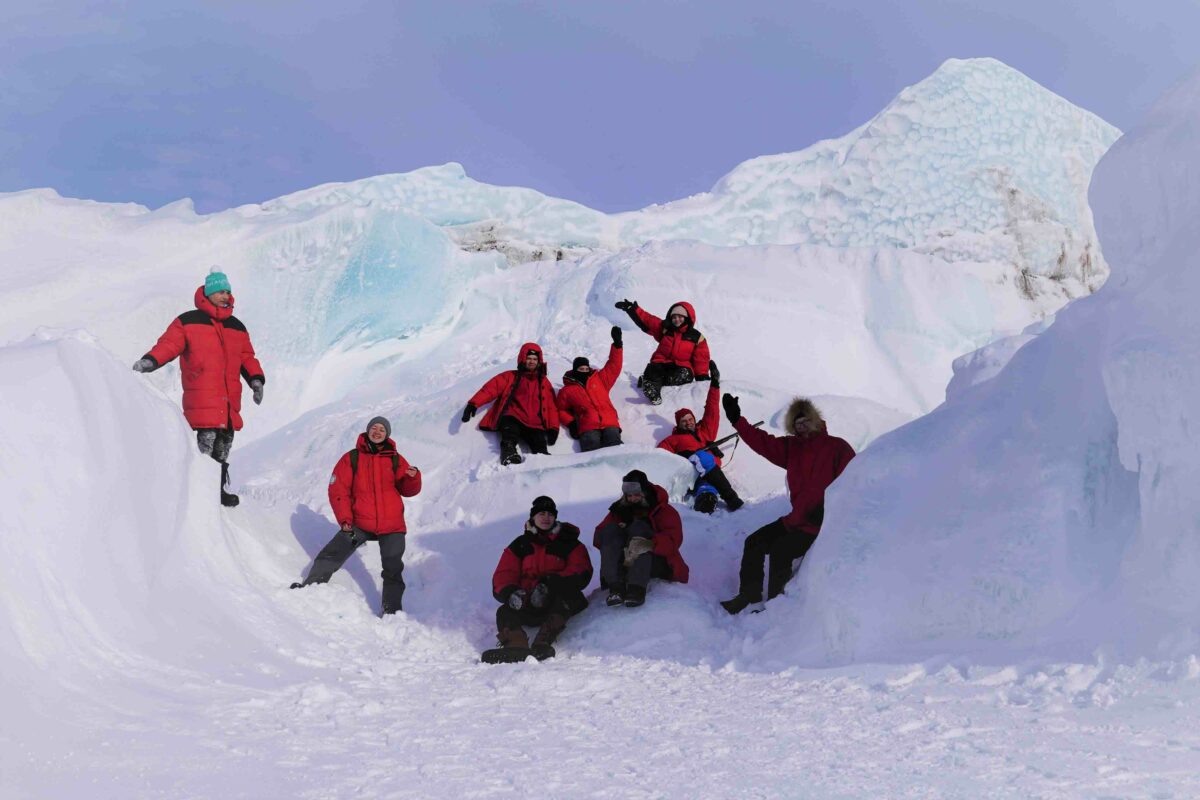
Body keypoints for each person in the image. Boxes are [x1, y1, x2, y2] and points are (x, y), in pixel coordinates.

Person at [133, 268, 265, 507]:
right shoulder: (188, 321)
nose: (226, 296)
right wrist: (150, 361)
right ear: (208, 293)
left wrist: (256, 379)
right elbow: (169, 345)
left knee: (223, 448)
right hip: (202, 400)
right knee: (204, 448)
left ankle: (218, 492)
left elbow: (247, 357)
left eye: (228, 292)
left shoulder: (237, 327)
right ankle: (195, 494)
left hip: (228, 402)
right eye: (220, 292)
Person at [718, 395, 855, 614]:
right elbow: (763, 442)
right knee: (755, 542)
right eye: (797, 424)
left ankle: (774, 606)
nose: (802, 428)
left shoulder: (837, 448)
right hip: (796, 520)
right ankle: (748, 595)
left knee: (782, 551)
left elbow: (853, 483)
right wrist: (737, 421)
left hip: (819, 524)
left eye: (806, 422)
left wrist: (828, 510)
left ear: (816, 420)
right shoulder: (792, 448)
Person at [291, 416, 422, 616]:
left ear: (387, 435)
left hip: (392, 524)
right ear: (368, 431)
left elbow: (409, 491)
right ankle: (311, 587)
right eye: (374, 428)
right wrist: (345, 519)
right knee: (332, 553)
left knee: (393, 568)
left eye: (382, 430)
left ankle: (392, 611)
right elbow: (338, 491)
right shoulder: (351, 458)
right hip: (360, 522)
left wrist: (413, 478)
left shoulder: (395, 458)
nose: (377, 432)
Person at [486, 496, 593, 662]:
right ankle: (516, 646)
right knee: (504, 611)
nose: (546, 517)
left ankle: (542, 644)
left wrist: (550, 584)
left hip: (555, 600)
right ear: (533, 517)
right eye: (541, 513)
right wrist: (511, 593)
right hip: (527, 601)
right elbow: (504, 573)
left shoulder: (569, 542)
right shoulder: (520, 544)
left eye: (550, 514)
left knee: (567, 599)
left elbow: (581, 569)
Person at [592, 470, 689, 608]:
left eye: (636, 495)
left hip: (657, 563)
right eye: (629, 496)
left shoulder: (663, 510)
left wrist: (650, 542)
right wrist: (621, 532)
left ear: (645, 492)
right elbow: (599, 535)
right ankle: (615, 588)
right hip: (627, 561)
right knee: (610, 530)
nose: (632, 499)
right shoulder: (619, 509)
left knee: (639, 528)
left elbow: (674, 540)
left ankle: (636, 589)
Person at [656, 361, 743, 514]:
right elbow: (659, 456)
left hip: (711, 473)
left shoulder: (705, 430)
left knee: (707, 486)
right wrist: (681, 458)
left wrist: (715, 384)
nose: (688, 422)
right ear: (679, 424)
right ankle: (731, 498)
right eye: (684, 421)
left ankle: (706, 498)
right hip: (690, 469)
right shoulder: (673, 440)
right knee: (702, 457)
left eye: (690, 419)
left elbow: (712, 409)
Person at [461, 342, 559, 465]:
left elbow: (551, 407)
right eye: (529, 358)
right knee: (509, 434)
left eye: (535, 359)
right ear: (523, 358)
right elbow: (490, 389)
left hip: (535, 423)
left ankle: (544, 462)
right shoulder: (511, 376)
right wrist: (473, 404)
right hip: (514, 416)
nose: (532, 361)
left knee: (540, 446)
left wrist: (553, 428)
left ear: (539, 361)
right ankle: (509, 453)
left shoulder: (543, 382)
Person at [613, 298, 711, 405]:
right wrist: (632, 309)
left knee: (684, 375)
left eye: (680, 317)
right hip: (661, 363)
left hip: (681, 366)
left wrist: (702, 378)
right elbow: (648, 320)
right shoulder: (665, 328)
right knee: (652, 369)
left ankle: (649, 381)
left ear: (687, 318)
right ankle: (653, 393)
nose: (676, 319)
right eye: (674, 317)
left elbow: (701, 360)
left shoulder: (696, 337)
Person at [556, 326, 624, 452]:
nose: (584, 371)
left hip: (610, 423)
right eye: (581, 369)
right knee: (591, 455)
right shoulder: (567, 390)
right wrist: (571, 423)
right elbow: (561, 410)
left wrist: (617, 345)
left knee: (616, 451)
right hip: (587, 427)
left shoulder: (600, 379)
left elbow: (614, 366)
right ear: (575, 370)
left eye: (586, 369)